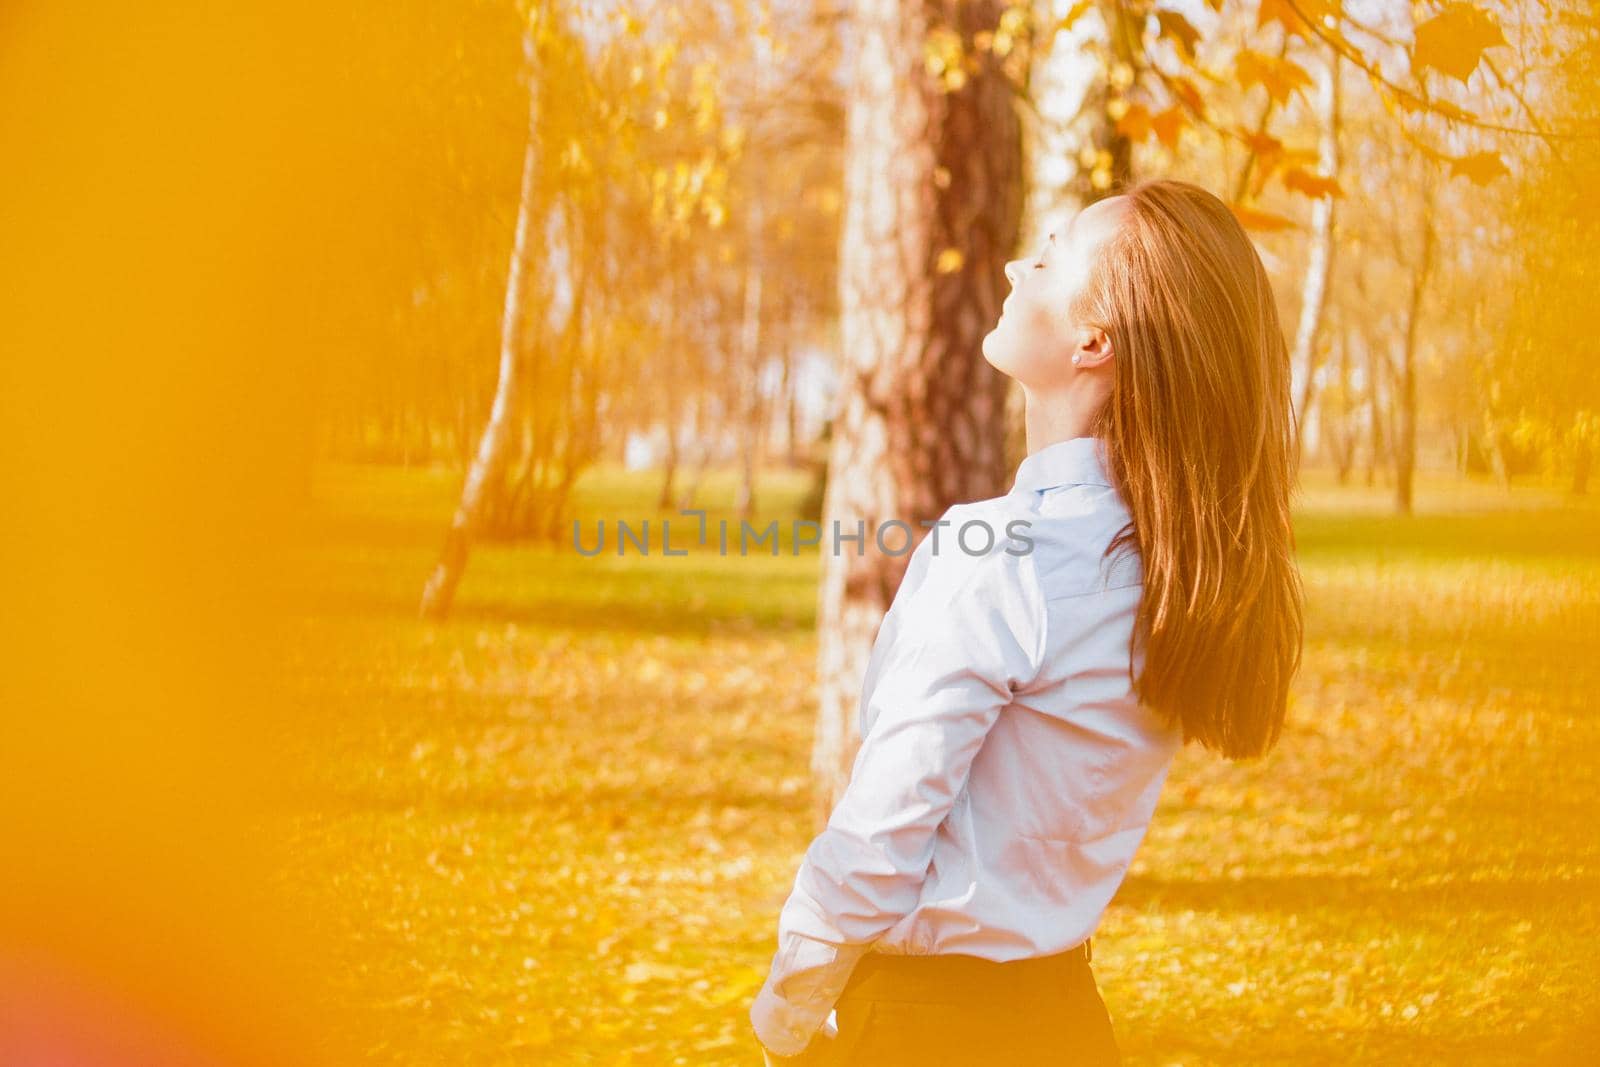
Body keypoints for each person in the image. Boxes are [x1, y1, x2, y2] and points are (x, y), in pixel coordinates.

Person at [749, 177, 1305, 1066]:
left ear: (1095, 339)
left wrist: (783, 1019)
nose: (1015, 265)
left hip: (923, 1032)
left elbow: (878, 844)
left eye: (1048, 257)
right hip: (1066, 1022)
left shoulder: (1000, 555)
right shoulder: (1166, 565)